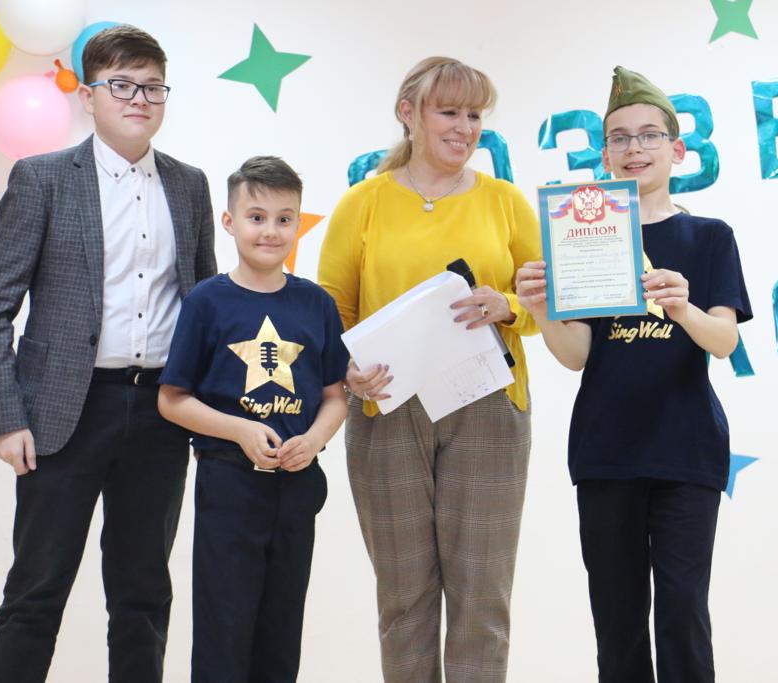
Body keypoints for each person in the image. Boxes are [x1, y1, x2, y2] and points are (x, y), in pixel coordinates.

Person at [0, 25, 216, 683]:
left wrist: (211, 413)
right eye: (122, 85)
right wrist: (7, 417)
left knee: (143, 595)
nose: (139, 99)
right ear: (88, 96)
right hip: (62, 414)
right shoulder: (43, 178)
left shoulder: (189, 185)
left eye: (153, 87)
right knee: (36, 591)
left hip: (161, 412)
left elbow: (204, 307)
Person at [515, 66, 753, 683]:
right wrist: (541, 309)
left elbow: (724, 341)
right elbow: (577, 355)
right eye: (619, 138)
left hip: (686, 449)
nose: (634, 148)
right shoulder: (583, 235)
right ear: (604, 155)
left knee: (682, 614)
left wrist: (683, 308)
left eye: (649, 136)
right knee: (616, 622)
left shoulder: (709, 237)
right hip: (606, 451)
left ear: (677, 150)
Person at [318, 56, 541, 683]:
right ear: (408, 113)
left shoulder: (505, 202)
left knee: (482, 600)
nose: (465, 128)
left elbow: (546, 299)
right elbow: (330, 310)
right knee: (403, 600)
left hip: (490, 408)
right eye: (449, 112)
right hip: (386, 408)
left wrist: (508, 306)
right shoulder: (362, 203)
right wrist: (347, 371)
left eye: (474, 115)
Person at [158, 156, 349, 682]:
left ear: (299, 223)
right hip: (228, 484)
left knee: (281, 633)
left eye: (284, 219)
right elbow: (172, 399)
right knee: (223, 629)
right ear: (229, 222)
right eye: (257, 217)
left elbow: (336, 396)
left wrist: (313, 440)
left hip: (296, 486)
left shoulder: (316, 304)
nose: (270, 231)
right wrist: (239, 430)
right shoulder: (206, 302)